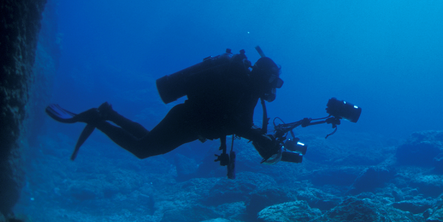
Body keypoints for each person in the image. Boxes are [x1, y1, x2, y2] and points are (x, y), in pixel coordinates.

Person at [46, 48, 284, 164]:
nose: (273, 86)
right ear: (263, 76)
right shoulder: (240, 86)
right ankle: (97, 119)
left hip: (189, 122)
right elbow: (231, 120)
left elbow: (238, 121)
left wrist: (257, 135)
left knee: (147, 140)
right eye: (272, 80)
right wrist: (256, 135)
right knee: (142, 150)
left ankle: (109, 114)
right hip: (188, 121)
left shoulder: (246, 88)